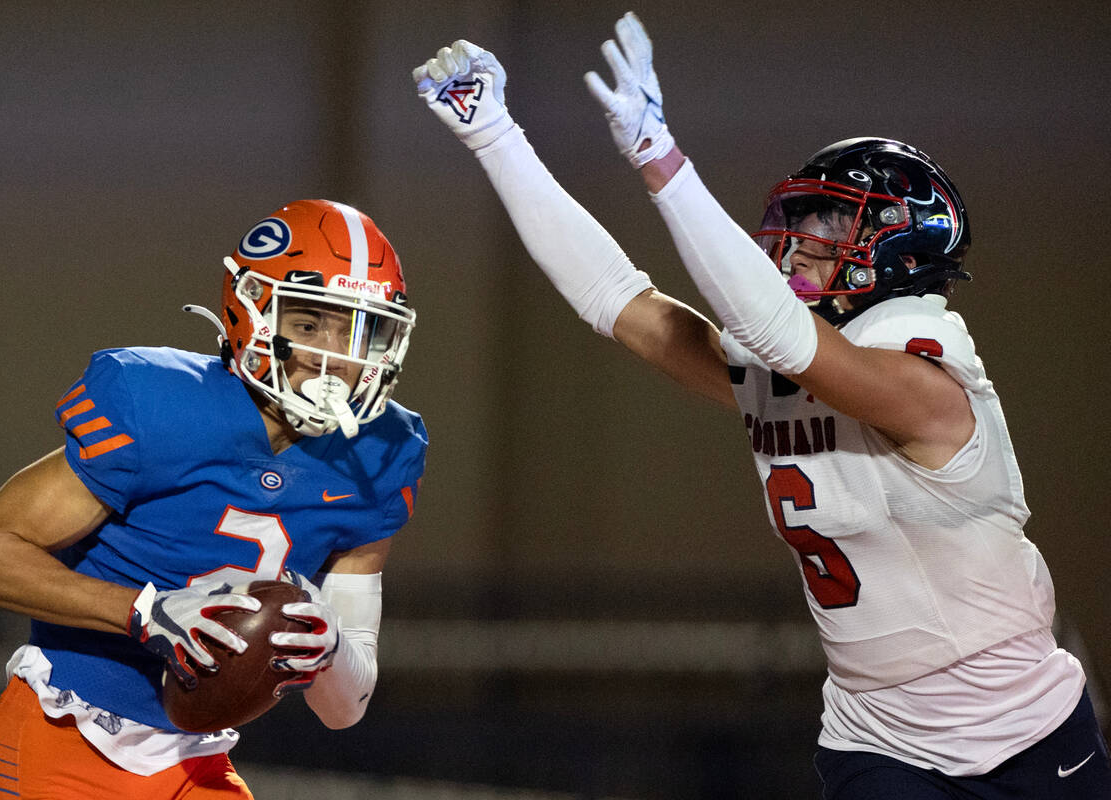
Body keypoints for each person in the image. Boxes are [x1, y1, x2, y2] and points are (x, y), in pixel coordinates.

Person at [413, 13, 1110, 799]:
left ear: (901, 245)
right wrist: (497, 139)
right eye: (804, 222)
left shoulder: (929, 383)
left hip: (1023, 732)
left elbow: (785, 338)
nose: (802, 242)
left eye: (832, 225)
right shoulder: (785, 357)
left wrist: (660, 159)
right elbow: (617, 300)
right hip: (875, 738)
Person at [0, 199, 427, 799]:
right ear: (252, 314)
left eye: (363, 329)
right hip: (66, 732)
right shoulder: (156, 405)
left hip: (194, 757)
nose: (339, 357)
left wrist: (328, 650)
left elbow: (345, 709)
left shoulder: (381, 454)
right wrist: (143, 612)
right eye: (309, 324)